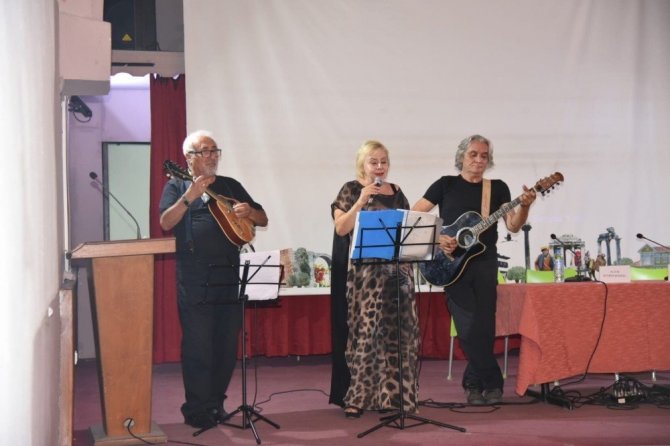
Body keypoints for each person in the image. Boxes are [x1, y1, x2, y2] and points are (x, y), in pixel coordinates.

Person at [412, 134, 536, 405]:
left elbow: (513, 225)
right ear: (461, 156)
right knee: (467, 326)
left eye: (484, 156)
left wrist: (525, 207)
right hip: (451, 265)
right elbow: (415, 216)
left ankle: (474, 384)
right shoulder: (445, 185)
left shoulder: (498, 188)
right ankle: (493, 381)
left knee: (484, 325)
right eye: (473, 154)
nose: (479, 160)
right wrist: (438, 238)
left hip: (485, 263)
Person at [159, 130, 268, 429]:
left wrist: (250, 211)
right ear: (188, 158)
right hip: (194, 275)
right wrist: (188, 197)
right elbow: (165, 222)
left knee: (225, 344)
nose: (211, 156)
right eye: (204, 151)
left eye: (214, 151)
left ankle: (216, 403)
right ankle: (196, 409)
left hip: (229, 272)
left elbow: (262, 219)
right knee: (198, 345)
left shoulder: (230, 185)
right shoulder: (176, 184)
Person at [330, 140, 418, 418]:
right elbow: (341, 227)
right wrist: (361, 200)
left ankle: (397, 396)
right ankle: (358, 396)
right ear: (362, 164)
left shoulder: (398, 192)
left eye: (384, 161)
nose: (380, 167)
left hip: (398, 275)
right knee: (365, 334)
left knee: (399, 335)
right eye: (374, 162)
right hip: (365, 277)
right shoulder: (350, 189)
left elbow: (408, 231)